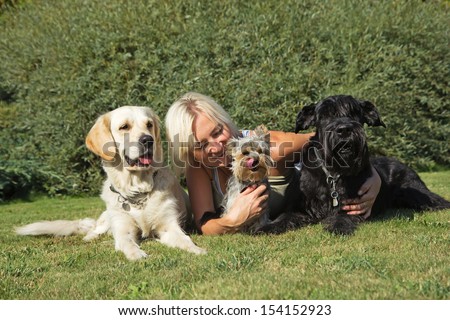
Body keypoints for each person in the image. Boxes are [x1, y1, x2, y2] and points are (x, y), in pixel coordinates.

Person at [165, 92, 381, 235]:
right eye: (201, 145)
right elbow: (204, 224)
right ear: (189, 150)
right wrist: (231, 221)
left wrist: (374, 176)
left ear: (225, 120)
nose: (216, 146)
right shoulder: (200, 167)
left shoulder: (275, 147)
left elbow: (331, 140)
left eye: (217, 131)